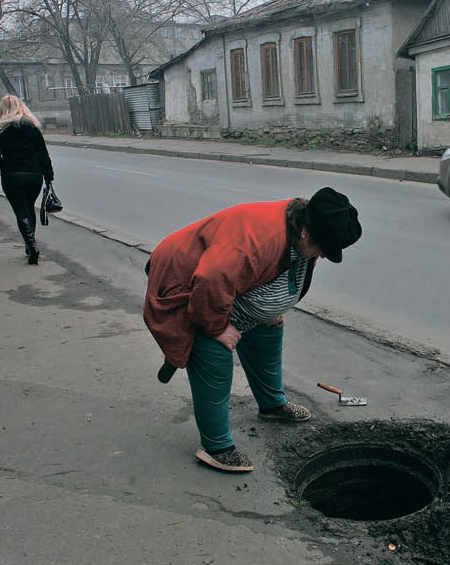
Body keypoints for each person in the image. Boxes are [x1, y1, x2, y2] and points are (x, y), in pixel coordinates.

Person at [143, 187, 362, 473]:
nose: (321, 255)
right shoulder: (254, 243)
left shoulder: (303, 225)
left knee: (268, 328)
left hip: (223, 283)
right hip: (188, 281)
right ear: (306, 232)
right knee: (214, 350)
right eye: (322, 248)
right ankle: (216, 447)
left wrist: (270, 308)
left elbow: (282, 269)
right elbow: (209, 282)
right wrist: (218, 328)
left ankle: (272, 405)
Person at [0, 94, 55, 265]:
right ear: (21, 106)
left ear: (3, 109)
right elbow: (43, 154)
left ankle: (32, 246)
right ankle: (30, 245)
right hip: (34, 175)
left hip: (12, 175)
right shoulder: (32, 127)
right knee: (30, 208)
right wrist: (49, 176)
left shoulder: (0, 128)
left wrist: (2, 165)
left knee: (21, 211)